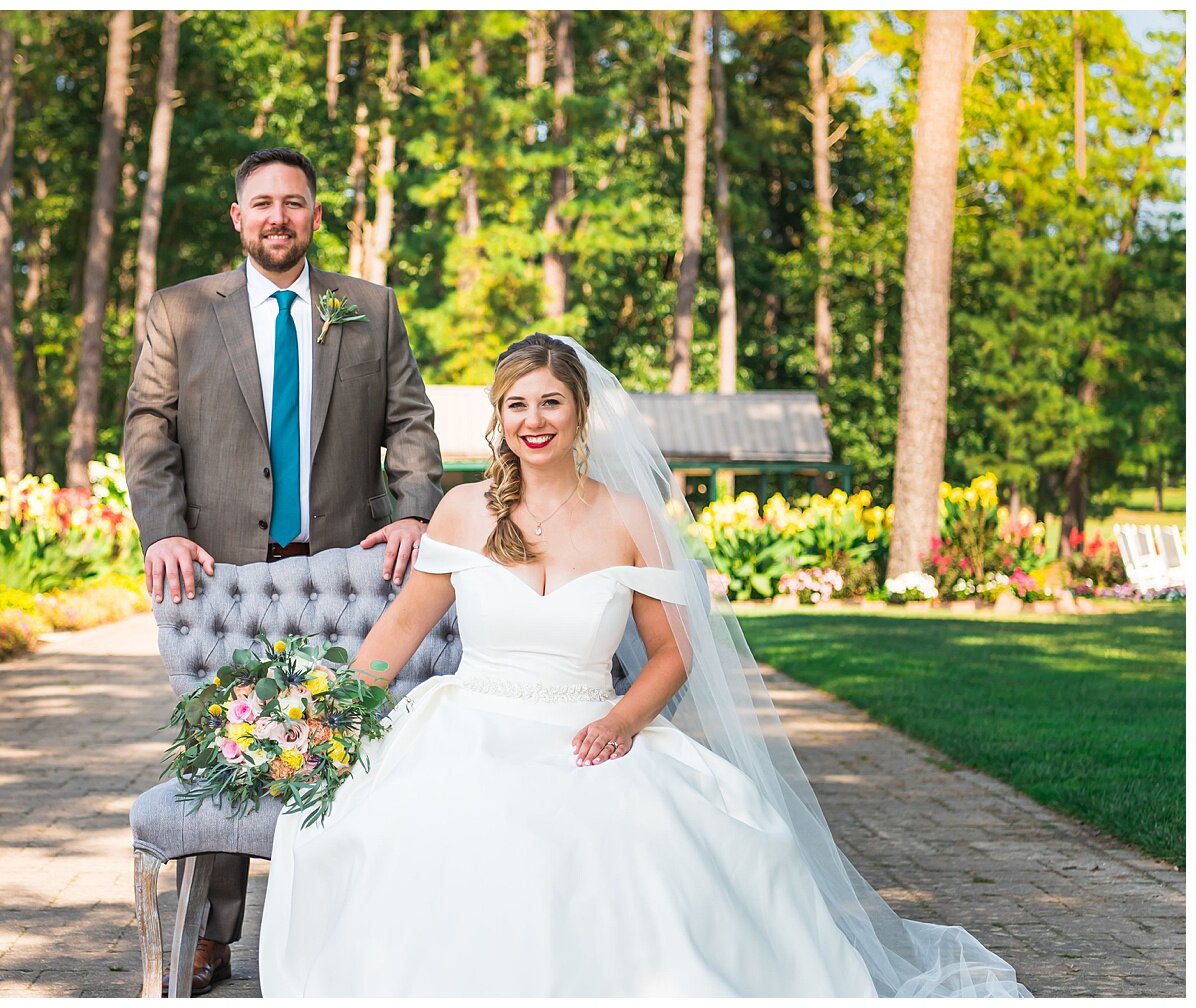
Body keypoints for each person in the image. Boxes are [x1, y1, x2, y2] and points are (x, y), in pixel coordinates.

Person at [258, 334, 1030, 997]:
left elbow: (674, 651)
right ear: (499, 417)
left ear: (580, 414)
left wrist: (624, 721)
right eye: (517, 404)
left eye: (551, 403)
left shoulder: (629, 518)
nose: (534, 421)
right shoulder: (464, 509)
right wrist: (329, 715)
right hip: (471, 721)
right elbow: (400, 628)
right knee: (458, 826)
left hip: (594, 725)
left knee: (649, 845)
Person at [122, 147, 443, 995]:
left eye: (293, 203)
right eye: (261, 203)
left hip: (347, 571)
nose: (277, 217)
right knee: (233, 743)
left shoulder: (366, 307)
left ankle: (352, 925)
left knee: (351, 740)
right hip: (221, 574)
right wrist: (162, 532)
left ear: (313, 215)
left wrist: (414, 508)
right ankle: (212, 938)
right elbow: (148, 433)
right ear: (238, 217)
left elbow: (410, 422)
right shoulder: (181, 310)